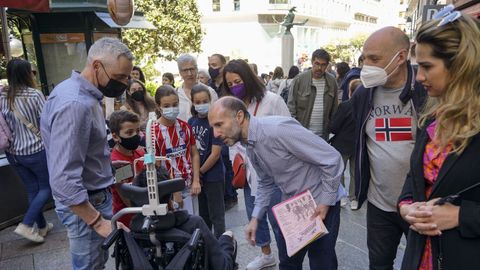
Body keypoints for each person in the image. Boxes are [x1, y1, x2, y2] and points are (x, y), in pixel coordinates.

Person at [209, 97, 344, 270]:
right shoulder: (250, 144)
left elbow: (332, 159)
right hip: (295, 207)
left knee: (321, 262)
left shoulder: (278, 130)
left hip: (321, 203)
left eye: (219, 124)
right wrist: (255, 218)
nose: (215, 134)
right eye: (213, 126)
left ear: (240, 116)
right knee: (288, 263)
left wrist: (325, 202)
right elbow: (265, 182)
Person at [398, 11, 480, 270]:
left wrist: (461, 215)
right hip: (421, 256)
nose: (419, 77)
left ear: (460, 64)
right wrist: (406, 207)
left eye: (427, 66)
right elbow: (414, 180)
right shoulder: (432, 119)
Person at [41, 37, 132, 269]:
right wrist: (96, 220)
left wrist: (106, 167)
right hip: (87, 202)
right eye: (120, 76)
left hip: (91, 195)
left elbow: (76, 151)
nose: (125, 82)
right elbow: (63, 178)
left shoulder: (77, 93)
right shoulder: (75, 104)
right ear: (97, 66)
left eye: (127, 76)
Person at [349, 27, 427, 270]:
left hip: (420, 204)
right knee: (379, 264)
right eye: (364, 59)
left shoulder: (425, 91)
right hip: (379, 204)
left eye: (374, 59)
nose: (366, 66)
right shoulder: (363, 94)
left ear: (401, 57)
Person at [222, 59, 290, 270]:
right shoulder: (234, 106)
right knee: (256, 217)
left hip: (275, 173)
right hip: (249, 172)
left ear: (248, 79)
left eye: (238, 81)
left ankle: (288, 259)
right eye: (230, 84)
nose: (235, 86)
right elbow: (231, 136)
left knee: (280, 221)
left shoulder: (273, 100)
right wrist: (237, 160)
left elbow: (288, 131)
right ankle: (266, 254)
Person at [132, 168, 237, 270]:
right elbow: (222, 266)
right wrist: (226, 240)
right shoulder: (194, 224)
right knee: (228, 238)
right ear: (170, 196)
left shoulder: (133, 230)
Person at [0, 59, 52, 243]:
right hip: (35, 150)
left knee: (32, 189)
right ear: (26, 74)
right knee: (47, 188)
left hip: (13, 153)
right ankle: (27, 224)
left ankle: (43, 226)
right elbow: (46, 122)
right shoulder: (34, 95)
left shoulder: (3, 97)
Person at [153, 85, 201, 215]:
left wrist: (196, 180)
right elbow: (156, 165)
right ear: (158, 106)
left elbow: (194, 153)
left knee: (193, 223)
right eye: (167, 106)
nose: (172, 109)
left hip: (189, 185)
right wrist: (173, 190)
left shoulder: (185, 126)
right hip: (169, 190)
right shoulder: (153, 132)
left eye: (175, 104)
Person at [188, 84, 226, 238]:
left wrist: (200, 172)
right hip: (199, 177)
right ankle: (207, 245)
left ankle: (222, 245)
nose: (201, 104)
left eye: (205, 101)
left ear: (210, 101)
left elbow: (215, 154)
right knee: (203, 215)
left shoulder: (215, 122)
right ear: (193, 103)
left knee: (217, 214)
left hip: (213, 176)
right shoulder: (191, 122)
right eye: (198, 102)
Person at [287, 49, 339, 140]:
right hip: (301, 134)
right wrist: (295, 130)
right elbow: (291, 107)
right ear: (312, 62)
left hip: (322, 137)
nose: (319, 68)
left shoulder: (332, 82)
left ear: (327, 65)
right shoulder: (299, 80)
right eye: (317, 63)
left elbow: (334, 110)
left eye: (323, 65)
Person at [328, 79, 361, 210]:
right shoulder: (366, 107)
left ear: (350, 91)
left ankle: (341, 197)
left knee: (339, 171)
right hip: (358, 145)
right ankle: (354, 198)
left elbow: (334, 127)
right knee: (355, 172)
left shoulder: (345, 106)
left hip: (342, 144)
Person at [108, 110, 145, 227]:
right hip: (130, 221)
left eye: (137, 131)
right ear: (115, 136)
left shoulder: (138, 153)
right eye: (129, 133)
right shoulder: (119, 163)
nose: (135, 135)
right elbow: (126, 197)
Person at [176, 54, 218, 122]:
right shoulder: (176, 95)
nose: (189, 73)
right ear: (180, 72)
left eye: (192, 69)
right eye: (185, 70)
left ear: (197, 69)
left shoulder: (210, 92)